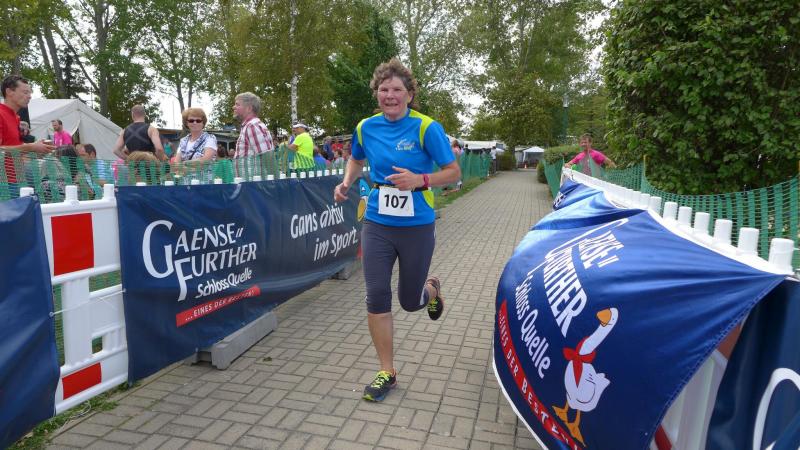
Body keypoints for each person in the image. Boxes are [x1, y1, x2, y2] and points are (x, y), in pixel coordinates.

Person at [333, 58, 461, 402]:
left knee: (409, 301)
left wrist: (420, 179)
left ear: (409, 94)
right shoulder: (366, 127)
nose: (389, 95)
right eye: (383, 89)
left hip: (416, 225)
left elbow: (453, 172)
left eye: (396, 89)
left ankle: (432, 290)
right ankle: (386, 371)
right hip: (377, 222)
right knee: (376, 295)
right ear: (377, 93)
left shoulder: (426, 127)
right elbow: (356, 159)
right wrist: (346, 182)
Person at [0, 75, 55, 195]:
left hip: (17, 179)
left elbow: (12, 150)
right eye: (25, 92)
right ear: (9, 92)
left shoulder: (16, 118)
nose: (29, 96)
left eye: (30, 93)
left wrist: (37, 150)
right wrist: (31, 147)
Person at [232, 92, 274, 177]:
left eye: (237, 104)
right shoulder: (251, 125)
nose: (234, 107)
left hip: (253, 182)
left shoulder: (252, 126)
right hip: (251, 181)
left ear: (249, 108)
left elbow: (266, 158)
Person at [171, 107, 217, 183]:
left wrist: (184, 164)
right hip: (185, 183)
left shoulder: (210, 138)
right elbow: (176, 164)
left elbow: (205, 160)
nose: (195, 123)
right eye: (191, 120)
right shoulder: (183, 141)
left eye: (198, 121)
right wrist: (192, 167)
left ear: (203, 123)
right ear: (187, 123)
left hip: (205, 183)